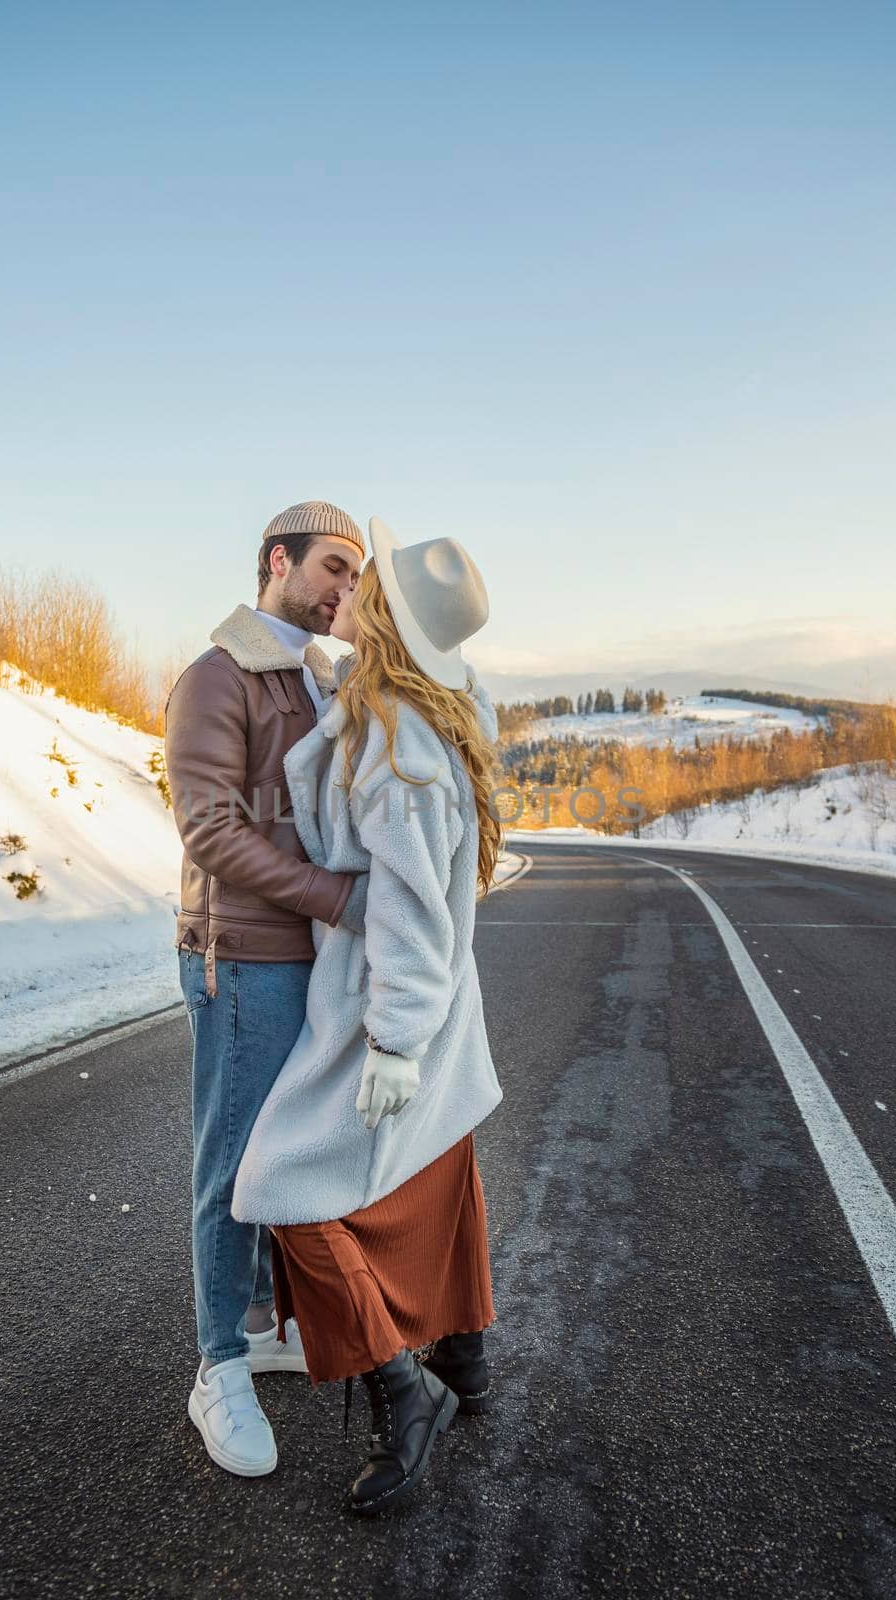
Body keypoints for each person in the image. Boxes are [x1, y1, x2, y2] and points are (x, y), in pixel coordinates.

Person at [232, 515, 504, 1514]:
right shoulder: (415, 709)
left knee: (285, 1181)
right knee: (434, 1158)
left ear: (385, 614)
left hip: (388, 996)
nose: (346, 586)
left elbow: (405, 901)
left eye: (366, 582)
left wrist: (391, 1039)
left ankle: (402, 1386)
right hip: (424, 991)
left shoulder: (397, 744)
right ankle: (465, 1352)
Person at [164, 500, 370, 1478]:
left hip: (304, 959)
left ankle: (256, 1322)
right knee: (231, 1164)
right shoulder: (217, 676)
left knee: (279, 1152)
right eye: (334, 565)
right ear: (278, 560)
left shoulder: (315, 680)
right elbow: (211, 830)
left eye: (358, 575)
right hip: (239, 958)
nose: (346, 589)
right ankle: (215, 1367)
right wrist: (337, 897)